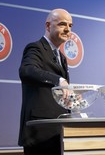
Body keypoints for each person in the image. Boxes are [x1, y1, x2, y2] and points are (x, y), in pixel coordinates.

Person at [18, 8, 73, 155]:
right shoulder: (35, 48)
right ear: (48, 26)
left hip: (59, 131)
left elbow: (60, 92)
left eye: (70, 25)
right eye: (62, 24)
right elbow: (27, 71)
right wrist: (59, 80)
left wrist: (71, 97)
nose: (67, 29)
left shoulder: (62, 57)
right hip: (40, 133)